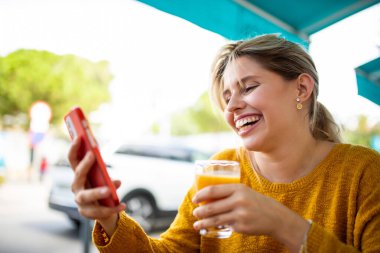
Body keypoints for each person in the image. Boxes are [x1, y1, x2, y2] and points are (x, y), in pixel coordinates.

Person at [68, 34, 380, 252]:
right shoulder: (222, 166)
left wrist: (284, 225)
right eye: (227, 96)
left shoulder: (363, 172)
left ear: (301, 88)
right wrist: (109, 218)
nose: (231, 107)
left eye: (249, 87)